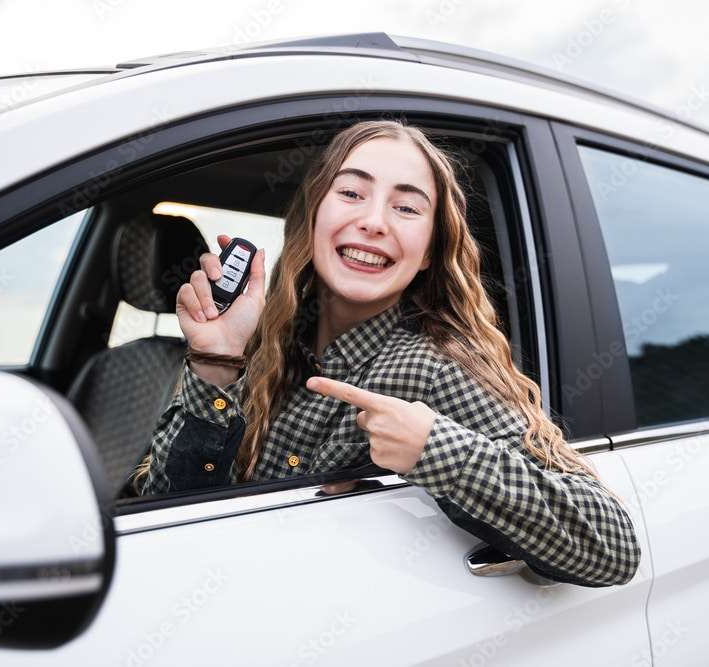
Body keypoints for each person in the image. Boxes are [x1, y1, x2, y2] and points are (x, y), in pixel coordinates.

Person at [133, 119, 641, 587]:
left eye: (406, 207)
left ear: (428, 253)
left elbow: (613, 548)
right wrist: (217, 363)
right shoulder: (266, 347)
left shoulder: (434, 368)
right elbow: (165, 519)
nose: (374, 221)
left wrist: (435, 448)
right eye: (352, 192)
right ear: (313, 216)